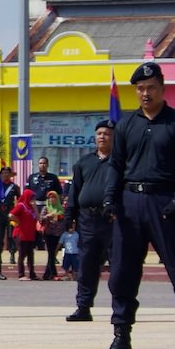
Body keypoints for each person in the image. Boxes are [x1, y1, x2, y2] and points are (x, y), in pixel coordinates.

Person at [102, 61, 175, 349]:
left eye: (150, 88)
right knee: (121, 273)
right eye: (140, 89)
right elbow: (116, 165)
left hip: (164, 204)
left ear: (162, 88)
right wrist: (110, 199)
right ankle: (121, 337)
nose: (145, 93)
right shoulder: (126, 125)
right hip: (129, 205)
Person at [64, 119, 115, 321]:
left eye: (107, 133)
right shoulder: (84, 163)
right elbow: (74, 191)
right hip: (87, 220)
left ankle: (121, 309)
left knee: (118, 266)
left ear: (114, 138)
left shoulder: (121, 162)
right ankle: (83, 307)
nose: (103, 137)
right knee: (86, 266)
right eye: (99, 133)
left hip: (112, 221)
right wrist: (69, 215)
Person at [9, 189, 39, 281]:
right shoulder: (21, 206)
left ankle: (32, 274)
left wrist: (35, 208)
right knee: (22, 254)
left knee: (30, 255)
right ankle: (21, 274)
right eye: (31, 198)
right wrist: (17, 220)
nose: (33, 200)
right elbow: (10, 215)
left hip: (30, 235)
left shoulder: (32, 208)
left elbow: (38, 218)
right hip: (21, 234)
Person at [39, 190, 66, 280]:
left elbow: (64, 219)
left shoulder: (60, 208)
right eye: (50, 198)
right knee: (51, 253)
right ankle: (54, 274)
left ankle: (47, 274)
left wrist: (59, 217)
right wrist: (47, 216)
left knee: (53, 254)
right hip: (48, 233)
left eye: (53, 197)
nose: (52, 199)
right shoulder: (46, 208)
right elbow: (41, 219)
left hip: (58, 234)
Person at [0, 166, 20, 264]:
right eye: (3, 173)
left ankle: (12, 254)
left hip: (10, 212)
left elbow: (19, 200)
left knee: (11, 235)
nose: (5, 175)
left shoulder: (14, 187)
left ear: (10, 175)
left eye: (7, 173)